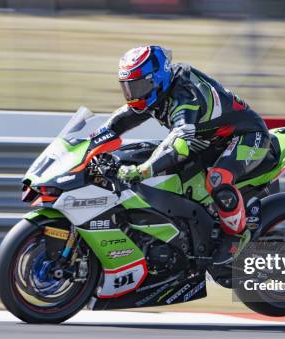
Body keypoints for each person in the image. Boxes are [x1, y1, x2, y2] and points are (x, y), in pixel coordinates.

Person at [93, 45, 270, 262]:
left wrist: (143, 170)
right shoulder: (157, 91)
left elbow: (179, 143)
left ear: (156, 79)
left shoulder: (185, 95)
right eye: (128, 88)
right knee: (146, 156)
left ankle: (237, 239)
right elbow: (119, 121)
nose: (133, 95)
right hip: (208, 140)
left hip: (246, 135)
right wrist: (90, 143)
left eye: (138, 86)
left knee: (218, 179)